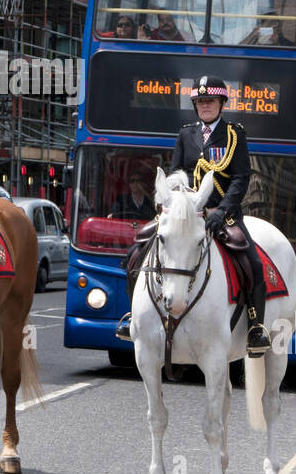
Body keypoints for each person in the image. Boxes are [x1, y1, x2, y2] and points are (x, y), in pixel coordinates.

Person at [115, 74, 272, 354]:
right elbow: (176, 174)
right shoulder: (186, 134)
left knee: (252, 263)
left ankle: (255, 327)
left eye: (210, 101)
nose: (205, 106)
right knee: (135, 255)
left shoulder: (235, 134)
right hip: (184, 212)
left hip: (223, 213)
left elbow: (240, 178)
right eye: (200, 102)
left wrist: (221, 211)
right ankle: (132, 318)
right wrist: (175, 204)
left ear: (221, 103)